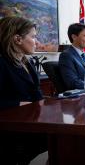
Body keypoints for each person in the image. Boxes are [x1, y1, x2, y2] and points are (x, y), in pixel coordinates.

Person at [0, 16, 47, 164]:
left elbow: (36, 94)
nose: (37, 42)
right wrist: (17, 104)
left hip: (33, 122)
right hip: (12, 130)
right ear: (17, 39)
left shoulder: (26, 61)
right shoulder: (1, 63)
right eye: (33, 37)